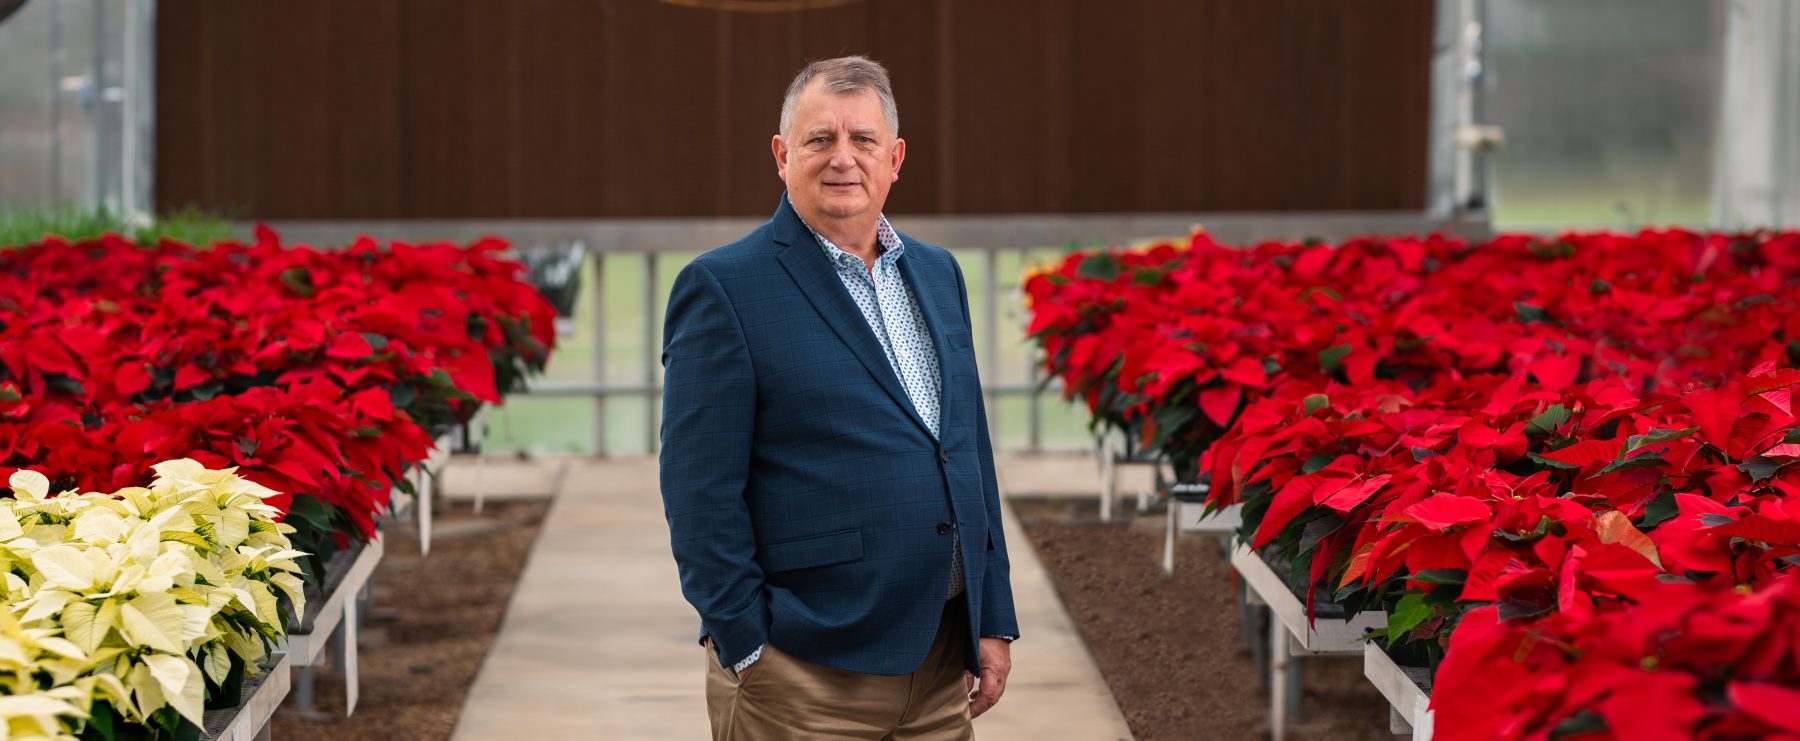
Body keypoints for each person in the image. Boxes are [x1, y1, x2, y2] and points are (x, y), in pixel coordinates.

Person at [659, 55, 1019, 740]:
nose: (842, 158)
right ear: (781, 154)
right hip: (802, 676)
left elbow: (966, 454)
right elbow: (699, 490)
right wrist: (747, 645)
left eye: (863, 140)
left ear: (896, 158)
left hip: (943, 670)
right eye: (820, 138)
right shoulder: (723, 287)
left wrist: (993, 617)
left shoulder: (939, 274)